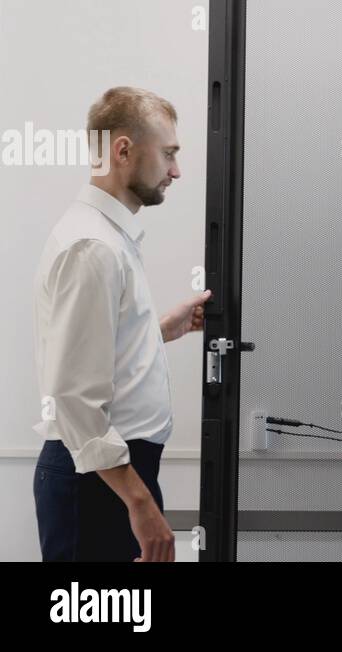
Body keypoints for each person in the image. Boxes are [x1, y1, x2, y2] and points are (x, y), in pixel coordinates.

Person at [32, 87, 210, 562]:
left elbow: (94, 356)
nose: (176, 171)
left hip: (107, 474)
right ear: (123, 149)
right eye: (169, 154)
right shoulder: (93, 246)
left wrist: (158, 331)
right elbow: (74, 397)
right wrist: (138, 500)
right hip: (96, 482)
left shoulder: (108, 238)